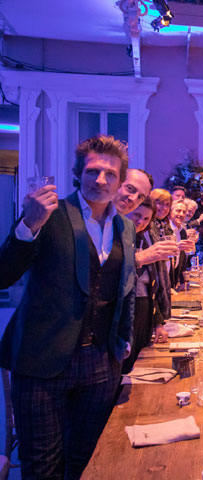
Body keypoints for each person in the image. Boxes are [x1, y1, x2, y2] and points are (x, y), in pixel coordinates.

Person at [0, 135, 136, 478]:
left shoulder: (126, 227)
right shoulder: (49, 214)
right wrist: (28, 223)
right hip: (44, 363)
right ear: (78, 174)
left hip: (101, 364)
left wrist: (121, 342)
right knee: (44, 467)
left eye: (110, 174)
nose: (100, 179)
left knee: (89, 462)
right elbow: (3, 274)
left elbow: (124, 289)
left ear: (120, 182)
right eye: (92, 171)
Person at [122, 197, 175, 373]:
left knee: (139, 364)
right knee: (125, 368)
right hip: (126, 313)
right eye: (137, 215)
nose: (140, 222)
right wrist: (139, 259)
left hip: (144, 308)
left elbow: (151, 286)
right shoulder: (118, 236)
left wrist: (158, 322)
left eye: (146, 219)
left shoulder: (145, 237)